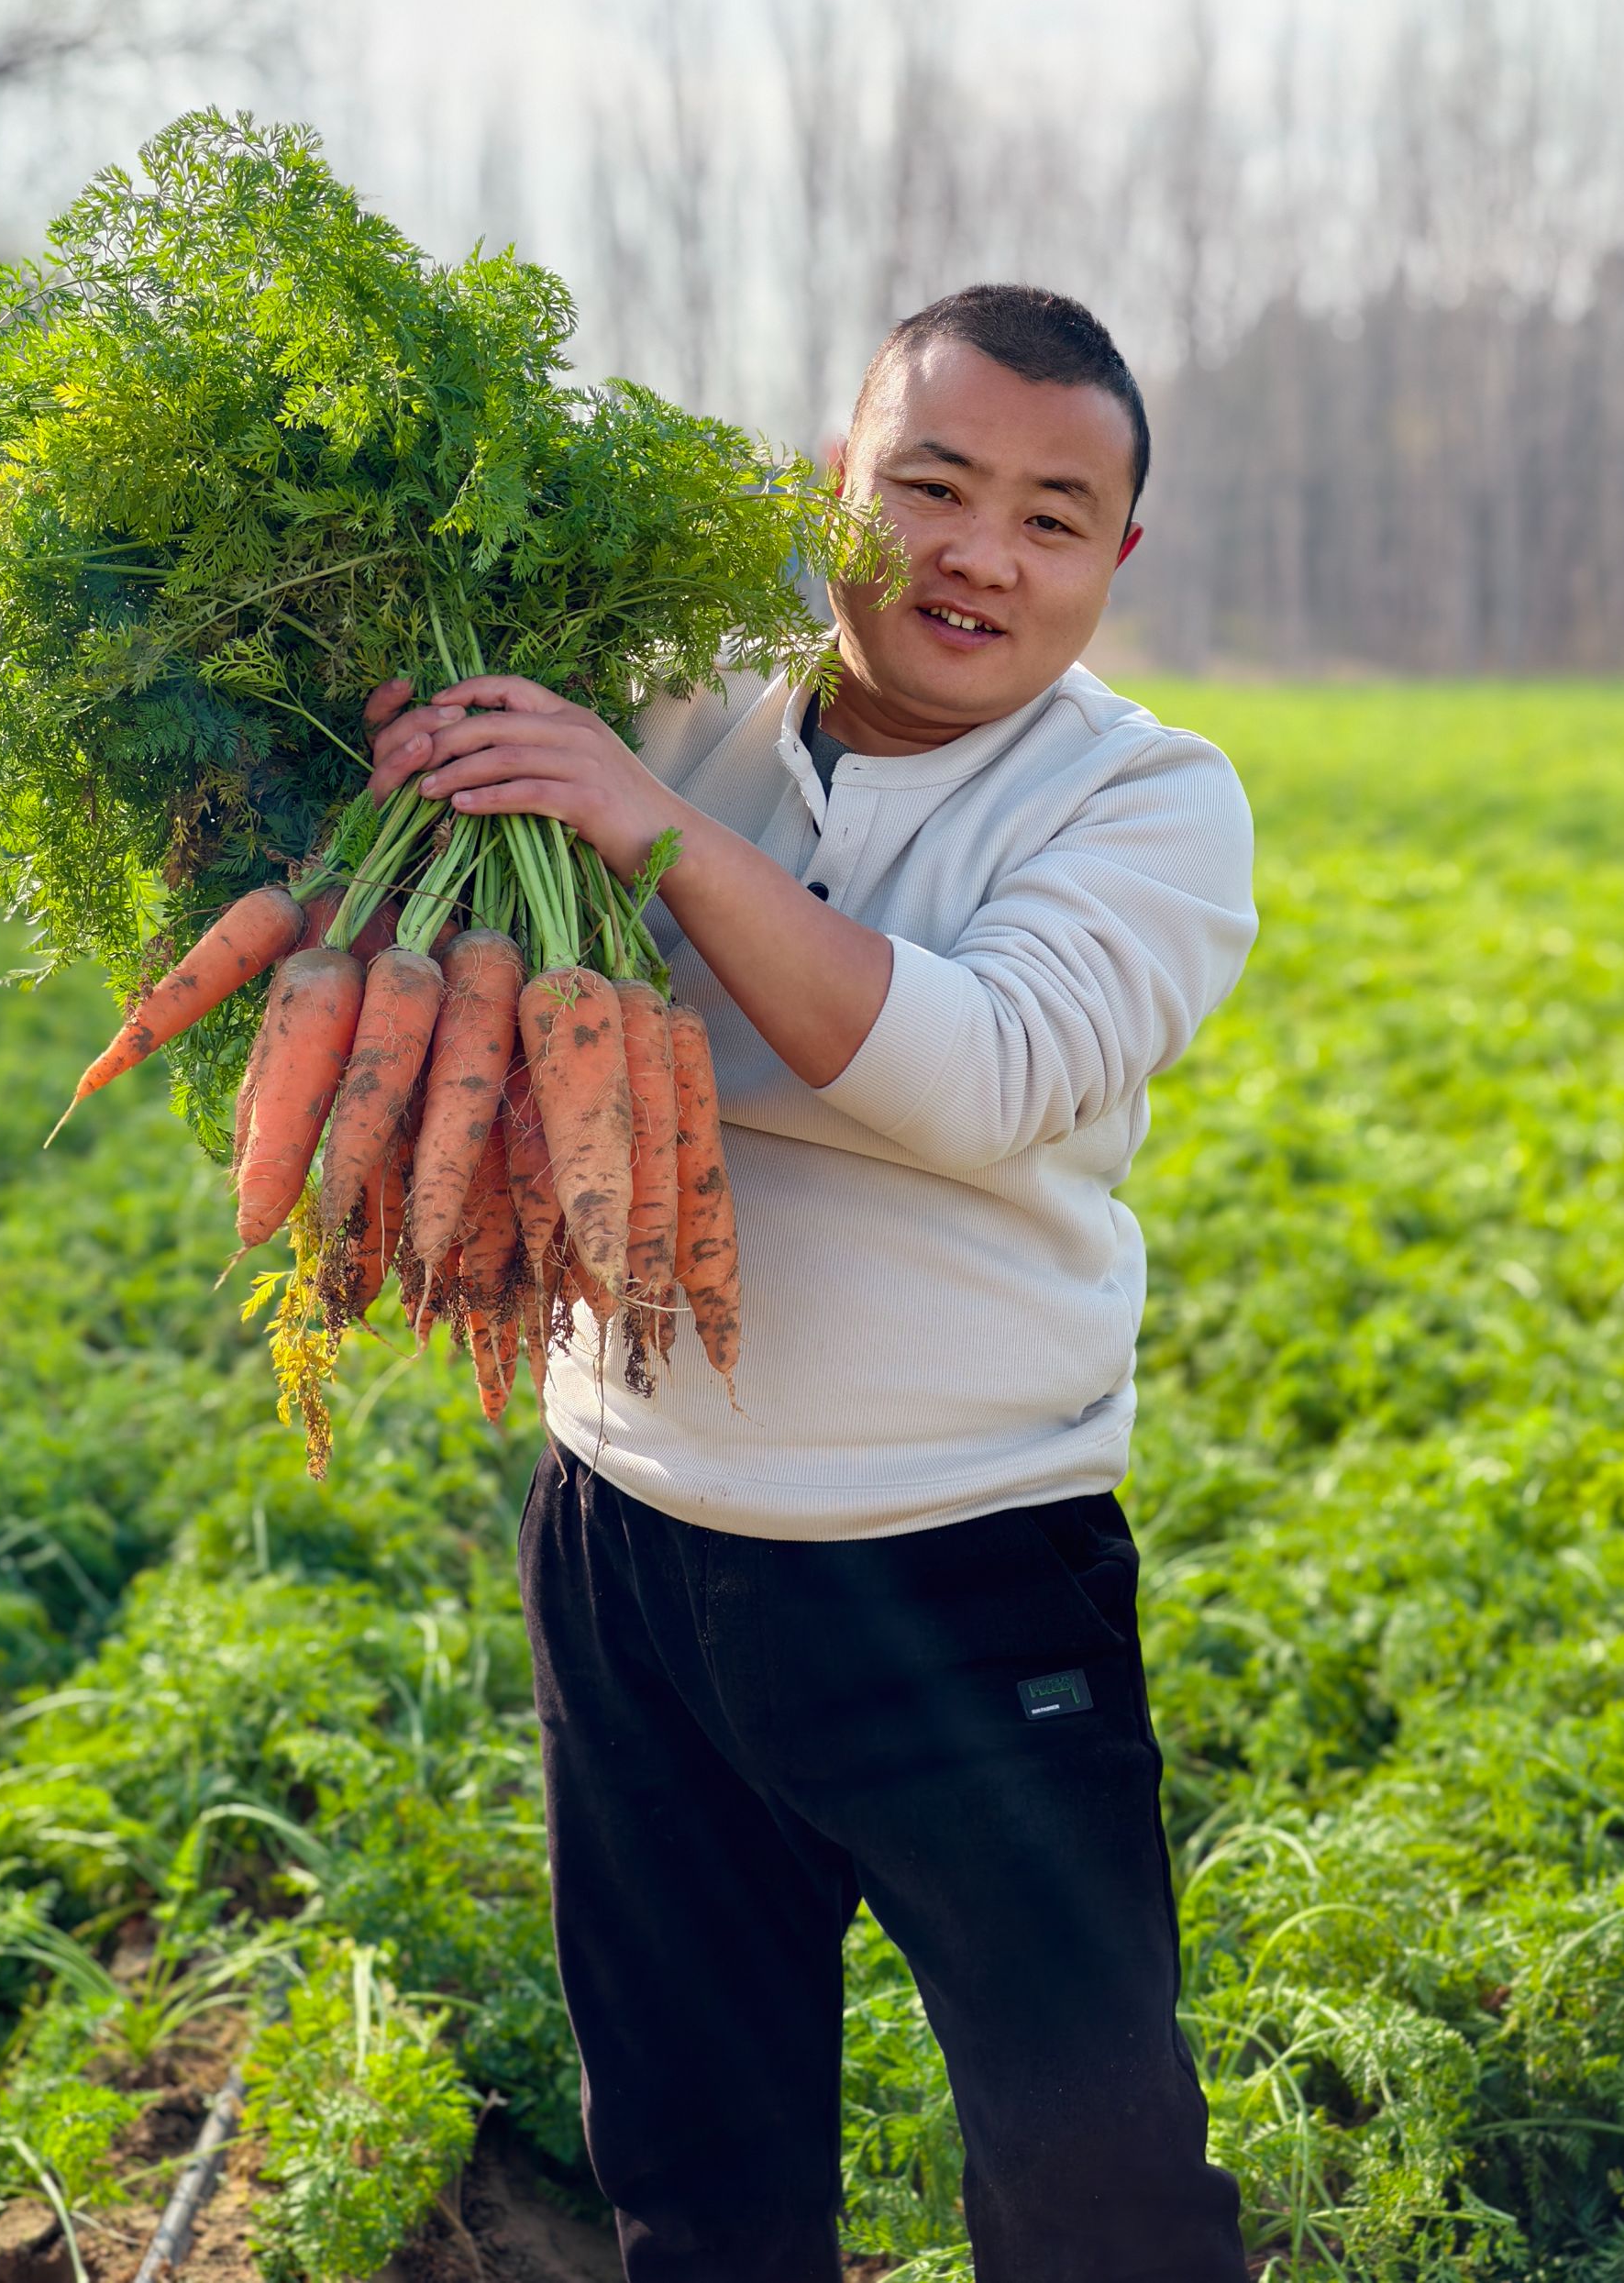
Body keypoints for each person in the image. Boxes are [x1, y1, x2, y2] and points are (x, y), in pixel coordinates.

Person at [365, 283, 1258, 2283]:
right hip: (630, 1550)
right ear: (829, 489)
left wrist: (654, 832)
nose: (977, 553)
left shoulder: (1145, 799)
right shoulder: (667, 716)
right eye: (928, 485)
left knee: (1096, 2179)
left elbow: (980, 1070)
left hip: (963, 1572)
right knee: (694, 2167)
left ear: (1114, 558)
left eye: (1048, 514)